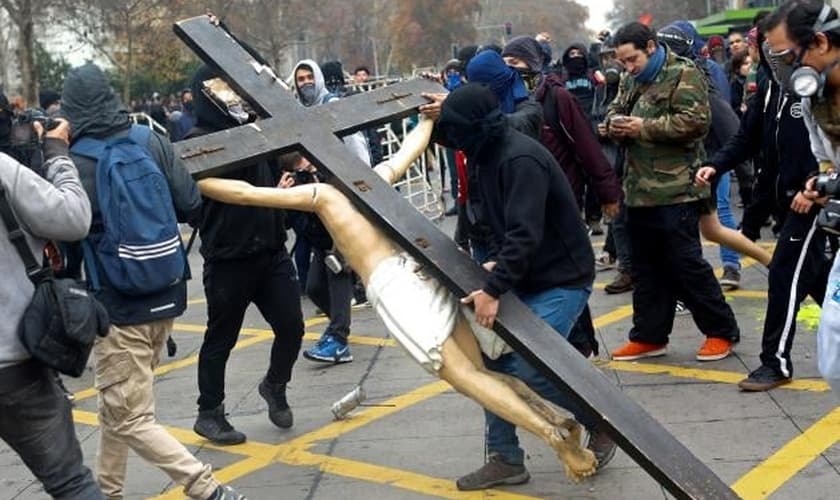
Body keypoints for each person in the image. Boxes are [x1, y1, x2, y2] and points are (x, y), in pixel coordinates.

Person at [196, 88, 600, 486]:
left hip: (398, 290)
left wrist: (195, 177)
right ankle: (555, 423)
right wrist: (426, 119)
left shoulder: (325, 196)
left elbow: (246, 194)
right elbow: (412, 146)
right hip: (420, 271)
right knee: (482, 370)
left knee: (468, 377)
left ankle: (557, 438)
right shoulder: (372, 181)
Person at [62, 62, 244, 500]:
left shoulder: (75, 162)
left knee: (130, 416)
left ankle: (208, 489)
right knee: (118, 404)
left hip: (117, 305)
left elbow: (64, 235)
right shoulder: (150, 139)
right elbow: (189, 201)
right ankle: (108, 491)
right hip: (167, 291)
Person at [604, 23, 741, 362]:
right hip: (637, 188)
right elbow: (614, 108)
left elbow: (696, 124)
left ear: (650, 47)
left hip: (678, 188)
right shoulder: (629, 79)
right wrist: (613, 124)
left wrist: (643, 128)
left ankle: (721, 331)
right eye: (623, 62)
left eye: (632, 59)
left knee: (686, 264)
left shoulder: (684, 73)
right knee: (646, 267)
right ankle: (649, 335)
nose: (628, 67)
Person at [187, 63, 305, 445]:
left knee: (292, 326)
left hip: (271, 252)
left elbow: (259, 70)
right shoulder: (198, 140)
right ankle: (210, 412)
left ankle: (275, 384)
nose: (234, 97)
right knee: (221, 338)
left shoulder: (258, 126)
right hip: (228, 258)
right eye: (223, 91)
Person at [730, 0, 840, 391]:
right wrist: (822, 182)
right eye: (773, 56)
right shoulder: (811, 97)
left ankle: (774, 362)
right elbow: (825, 160)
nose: (779, 66)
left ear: (822, 43)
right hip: (818, 208)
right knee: (834, 348)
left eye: (786, 56)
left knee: (789, 274)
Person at [0, 108, 104, 500]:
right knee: (70, 481)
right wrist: (57, 154)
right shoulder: (3, 169)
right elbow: (73, 220)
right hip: (15, 364)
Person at [292, 59, 370, 363]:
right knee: (314, 286)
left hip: (341, 195)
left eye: (310, 76)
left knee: (336, 266)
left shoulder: (332, 104)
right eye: (300, 78)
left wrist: (362, 190)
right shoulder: (298, 111)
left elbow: (357, 147)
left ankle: (339, 338)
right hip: (318, 203)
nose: (306, 82)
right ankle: (337, 326)